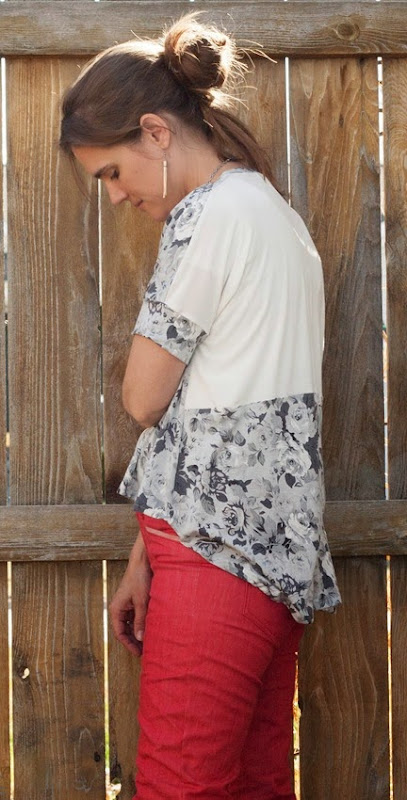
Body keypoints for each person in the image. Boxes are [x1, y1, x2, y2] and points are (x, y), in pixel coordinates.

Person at [60, 14, 341, 800]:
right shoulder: (270, 213)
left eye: (112, 172)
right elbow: (223, 413)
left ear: (155, 132)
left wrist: (171, 552)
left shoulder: (208, 216)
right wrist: (144, 555)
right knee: (252, 783)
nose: (115, 195)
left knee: (179, 784)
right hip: (261, 554)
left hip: (216, 560)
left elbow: (144, 397)